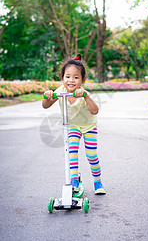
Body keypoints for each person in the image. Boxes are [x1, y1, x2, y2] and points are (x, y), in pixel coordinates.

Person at [42, 54, 106, 195]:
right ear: (62, 78)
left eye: (76, 77)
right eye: (68, 76)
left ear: (82, 80)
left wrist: (86, 96)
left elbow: (95, 111)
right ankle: (74, 181)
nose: (71, 80)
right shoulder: (60, 91)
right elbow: (45, 106)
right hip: (72, 126)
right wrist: (47, 95)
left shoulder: (82, 93)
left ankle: (97, 181)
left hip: (89, 127)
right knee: (72, 152)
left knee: (91, 156)